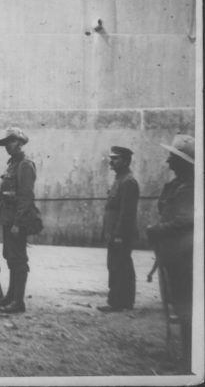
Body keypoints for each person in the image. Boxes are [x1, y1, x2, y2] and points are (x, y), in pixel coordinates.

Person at [0, 127, 37, 314]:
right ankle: (10, 297)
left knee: (18, 260)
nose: (6, 147)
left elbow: (26, 198)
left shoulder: (25, 165)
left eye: (9, 142)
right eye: (5, 144)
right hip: (8, 219)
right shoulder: (12, 164)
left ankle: (18, 302)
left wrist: (18, 224)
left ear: (19, 143)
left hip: (17, 221)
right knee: (10, 258)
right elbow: (4, 196)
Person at [147, 134, 194, 362]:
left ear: (184, 161)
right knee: (179, 305)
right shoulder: (176, 185)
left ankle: (189, 362)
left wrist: (158, 229)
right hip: (173, 255)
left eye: (173, 157)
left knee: (187, 311)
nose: (168, 162)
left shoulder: (191, 188)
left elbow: (185, 221)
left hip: (186, 257)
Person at [98, 146, 139, 312]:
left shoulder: (128, 182)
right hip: (114, 233)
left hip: (120, 234)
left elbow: (126, 212)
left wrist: (119, 234)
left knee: (120, 266)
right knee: (116, 265)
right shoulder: (120, 179)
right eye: (111, 158)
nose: (111, 161)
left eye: (115, 158)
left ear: (126, 161)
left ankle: (119, 302)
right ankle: (121, 301)